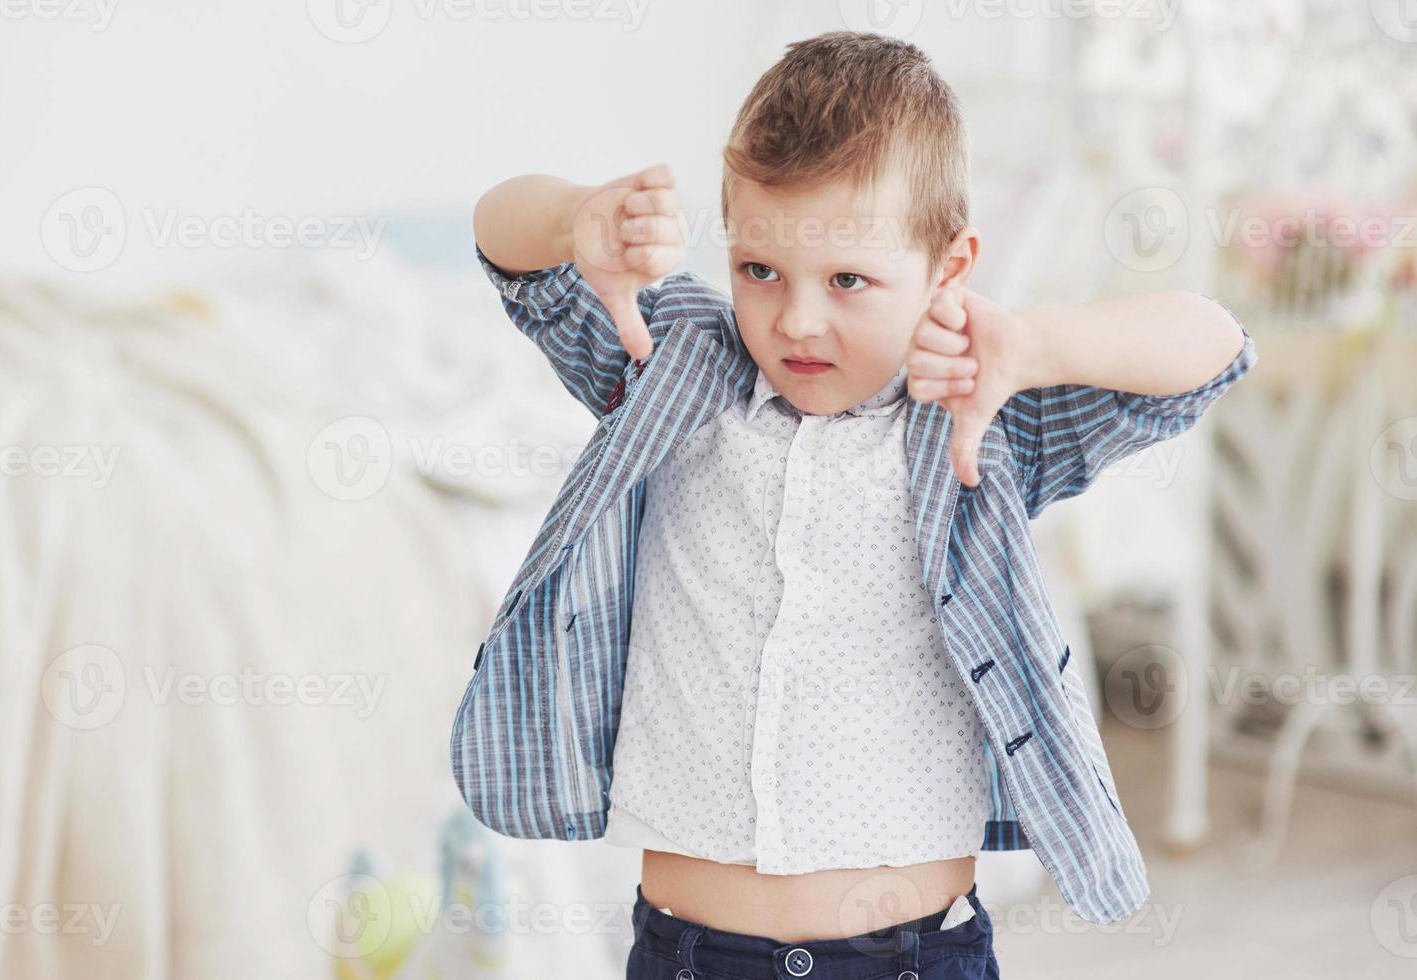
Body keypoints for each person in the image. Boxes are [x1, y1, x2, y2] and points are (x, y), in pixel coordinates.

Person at [457, 29, 1257, 979]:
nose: (797, 319)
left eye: (848, 281)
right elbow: (503, 239)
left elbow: (1213, 347)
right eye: (760, 270)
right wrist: (575, 219)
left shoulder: (977, 414)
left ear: (949, 268)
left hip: (911, 957)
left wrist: (1035, 345)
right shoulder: (669, 367)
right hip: (686, 954)